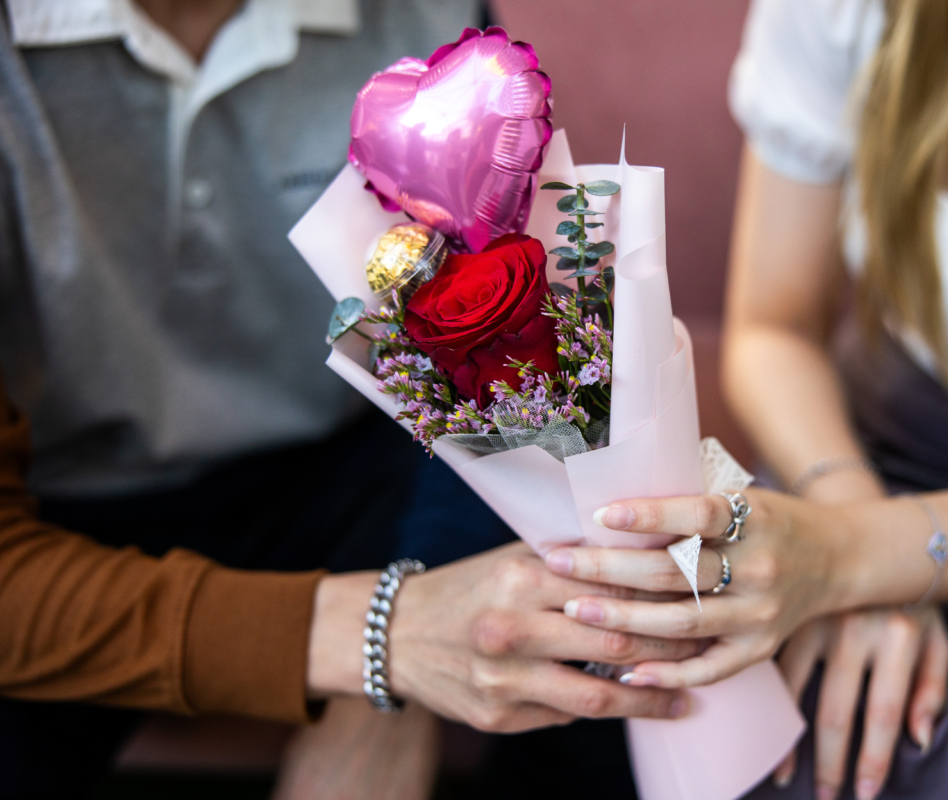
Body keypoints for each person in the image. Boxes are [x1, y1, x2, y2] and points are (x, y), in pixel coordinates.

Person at [0, 1, 690, 797]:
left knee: (611, 653)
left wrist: (411, 591)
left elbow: (502, 364)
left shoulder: (432, 24)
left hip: (361, 471)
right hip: (54, 511)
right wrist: (382, 642)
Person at [540, 0, 948, 798]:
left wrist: (857, 559)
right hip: (854, 447)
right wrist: (846, 519)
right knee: (727, 725)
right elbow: (774, 328)